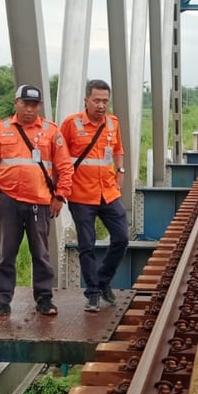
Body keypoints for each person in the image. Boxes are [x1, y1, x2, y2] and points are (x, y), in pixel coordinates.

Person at [0, 84, 74, 316]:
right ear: (16, 103)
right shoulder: (0, 130)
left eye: (34, 105)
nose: (30, 110)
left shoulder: (51, 131)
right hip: (9, 201)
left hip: (40, 202)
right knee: (6, 253)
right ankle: (2, 299)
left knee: (41, 254)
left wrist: (60, 196)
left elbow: (65, 167)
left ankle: (44, 298)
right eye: (25, 104)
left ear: (39, 106)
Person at [60, 80, 129, 312]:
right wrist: (60, 190)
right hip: (81, 195)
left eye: (105, 101)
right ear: (86, 100)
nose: (101, 106)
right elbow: (59, 157)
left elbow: (118, 149)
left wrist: (120, 172)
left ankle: (103, 281)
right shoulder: (71, 124)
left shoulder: (113, 123)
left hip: (108, 192)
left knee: (121, 238)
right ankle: (92, 293)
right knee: (86, 245)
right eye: (97, 100)